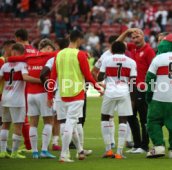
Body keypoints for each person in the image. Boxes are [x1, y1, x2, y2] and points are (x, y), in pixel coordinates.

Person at [47, 30, 103, 162]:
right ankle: (64, 154)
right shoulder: (80, 54)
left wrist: (49, 95)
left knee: (64, 124)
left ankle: (79, 151)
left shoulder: (59, 54)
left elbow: (52, 76)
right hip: (76, 94)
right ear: (79, 40)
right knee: (72, 123)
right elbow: (88, 75)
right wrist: (98, 87)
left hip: (61, 94)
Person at [7, 39, 57, 159]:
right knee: (49, 122)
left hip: (30, 95)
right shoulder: (51, 57)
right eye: (50, 48)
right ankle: (44, 150)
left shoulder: (28, 58)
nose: (51, 50)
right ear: (47, 48)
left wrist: (9, 59)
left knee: (33, 123)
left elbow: (12, 59)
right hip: (43, 93)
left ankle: (34, 152)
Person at [116, 28, 155, 153]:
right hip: (131, 88)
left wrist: (151, 88)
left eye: (137, 36)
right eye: (133, 37)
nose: (135, 39)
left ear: (143, 36)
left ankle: (144, 146)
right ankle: (137, 144)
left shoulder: (148, 51)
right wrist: (126, 32)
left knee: (144, 118)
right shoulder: (133, 48)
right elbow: (116, 45)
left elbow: (154, 71)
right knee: (131, 117)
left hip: (143, 88)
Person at [92, 35, 134, 149]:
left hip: (110, 91)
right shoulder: (131, 62)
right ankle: (120, 152)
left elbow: (99, 77)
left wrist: (106, 76)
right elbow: (133, 80)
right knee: (123, 119)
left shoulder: (107, 59)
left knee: (105, 118)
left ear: (113, 49)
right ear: (124, 50)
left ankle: (108, 149)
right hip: (124, 92)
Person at [0, 43, 39, 158]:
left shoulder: (5, 66)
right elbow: (25, 77)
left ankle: (2, 152)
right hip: (17, 99)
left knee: (5, 124)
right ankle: (14, 153)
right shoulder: (22, 64)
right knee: (18, 125)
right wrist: (40, 80)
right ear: (20, 53)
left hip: (5, 97)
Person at [14, 28, 37, 152]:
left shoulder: (19, 50)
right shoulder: (34, 50)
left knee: (21, 116)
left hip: (19, 85)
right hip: (32, 85)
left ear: (17, 38)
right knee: (30, 115)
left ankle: (28, 145)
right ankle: (29, 144)